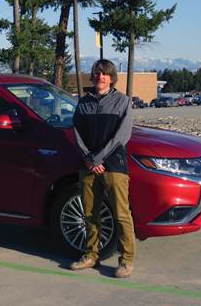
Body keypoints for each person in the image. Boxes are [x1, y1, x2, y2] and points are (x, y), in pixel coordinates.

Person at [70, 59, 135, 278]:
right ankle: (91, 255)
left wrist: (99, 158)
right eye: (97, 73)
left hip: (113, 165)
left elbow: (122, 136)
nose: (100, 77)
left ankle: (126, 260)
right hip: (88, 165)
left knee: (121, 213)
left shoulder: (123, 102)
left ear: (112, 77)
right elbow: (77, 133)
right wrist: (89, 158)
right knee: (89, 213)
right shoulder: (83, 103)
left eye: (105, 74)